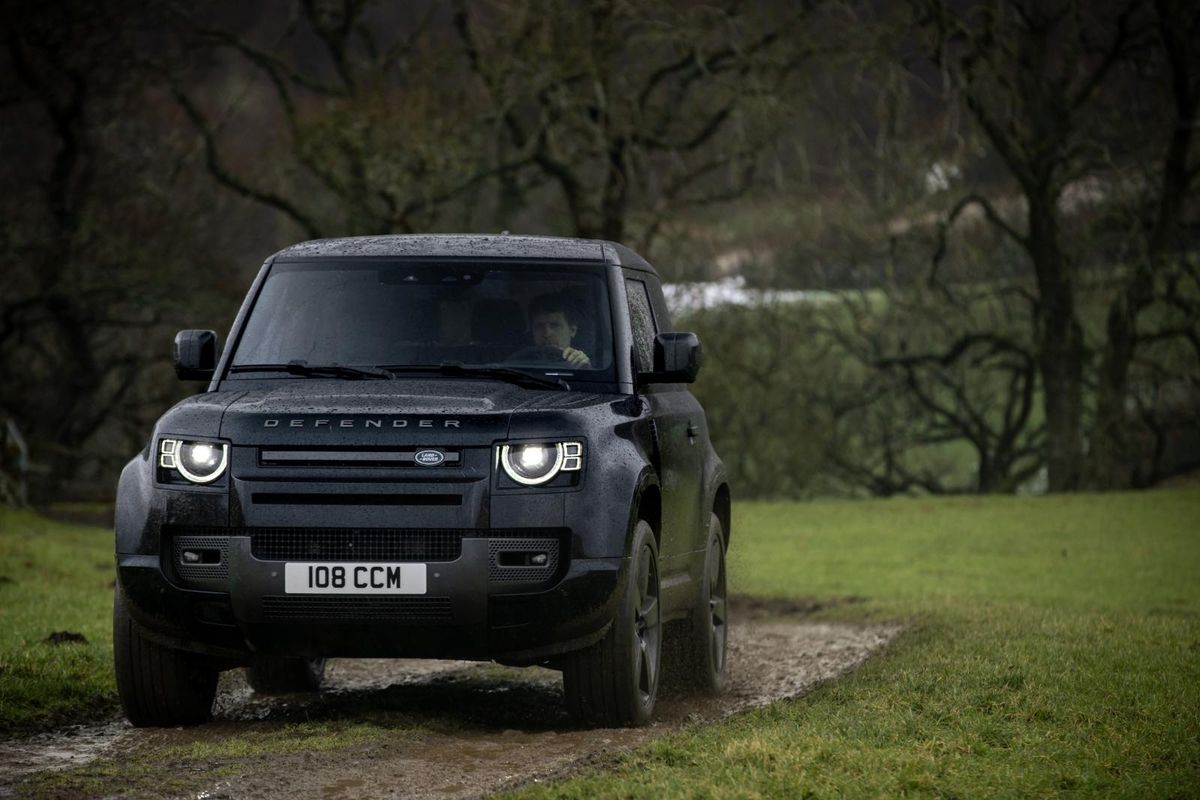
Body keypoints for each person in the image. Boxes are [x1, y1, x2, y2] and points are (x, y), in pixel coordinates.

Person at [525, 292, 592, 368]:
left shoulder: (585, 364)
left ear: (572, 330)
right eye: (539, 326)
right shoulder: (517, 364)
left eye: (554, 325)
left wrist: (586, 371)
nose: (547, 333)